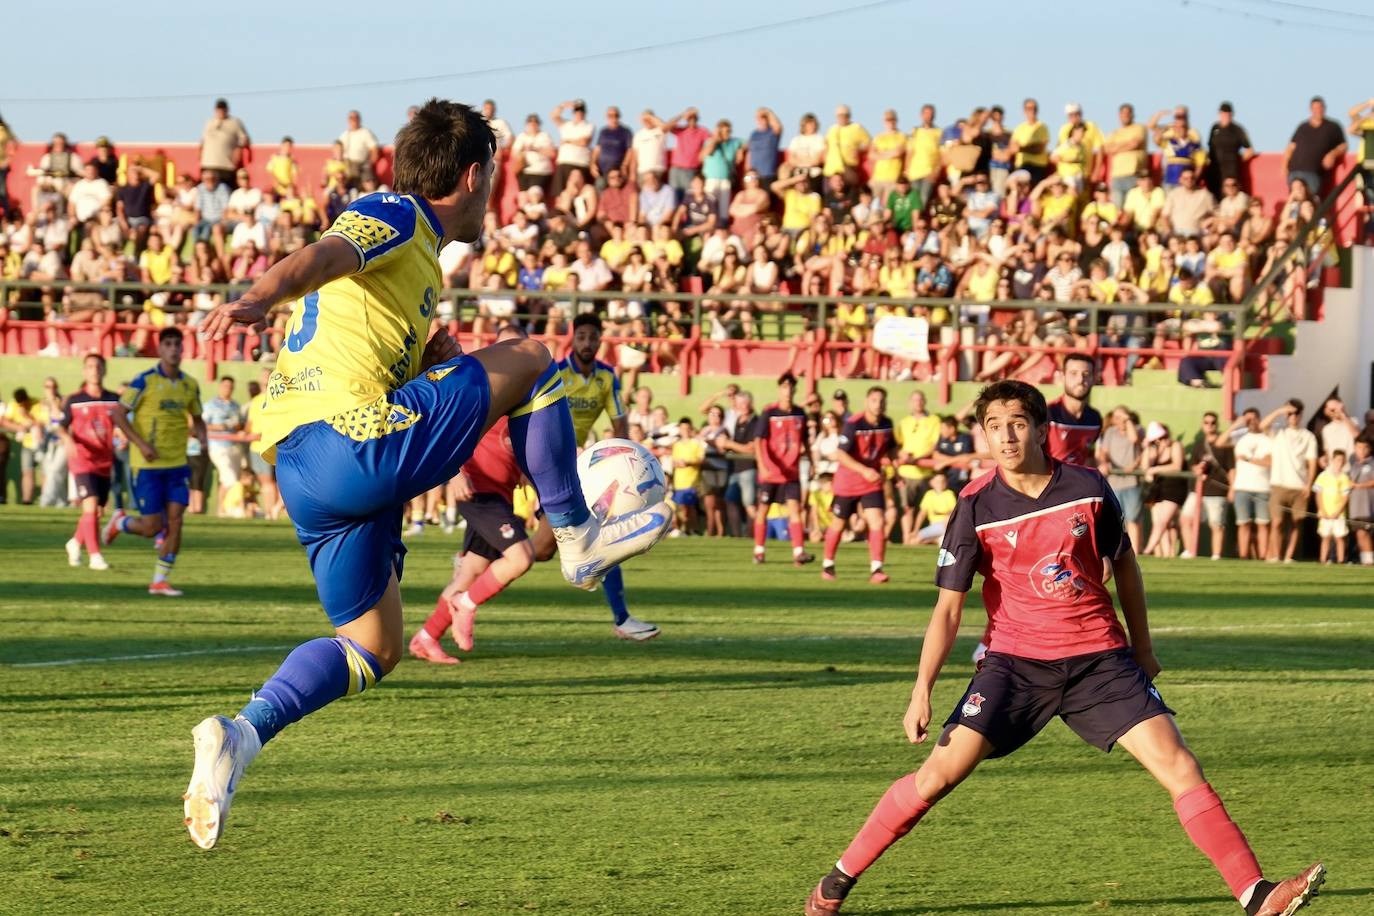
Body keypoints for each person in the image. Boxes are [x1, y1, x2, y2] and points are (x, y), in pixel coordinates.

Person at [180, 100, 671, 851]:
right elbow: (324, 254)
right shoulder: (397, 213)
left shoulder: (414, 270)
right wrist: (258, 296)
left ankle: (240, 736)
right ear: (474, 176)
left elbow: (358, 321)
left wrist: (434, 360)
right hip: (348, 440)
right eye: (494, 179)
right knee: (536, 358)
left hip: (306, 471)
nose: (494, 195)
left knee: (372, 647)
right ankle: (575, 535)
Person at [802, 380, 1324, 916]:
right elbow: (948, 609)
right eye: (994, 426)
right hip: (1014, 665)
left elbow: (1124, 564)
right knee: (936, 778)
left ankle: (1256, 894)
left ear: (1041, 428)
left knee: (1179, 764)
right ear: (983, 434)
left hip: (1100, 660)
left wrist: (1142, 648)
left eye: (1018, 423)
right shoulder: (974, 505)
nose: (1006, 436)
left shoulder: (1089, 486)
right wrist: (921, 691)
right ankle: (837, 880)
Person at [407, 325, 569, 665]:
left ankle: (425, 638)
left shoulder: (525, 393)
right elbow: (441, 425)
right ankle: (465, 605)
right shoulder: (475, 380)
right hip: (477, 493)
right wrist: (453, 473)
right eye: (503, 347)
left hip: (499, 496)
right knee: (521, 558)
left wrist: (528, 474)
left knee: (468, 575)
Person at [556, 311, 661, 640]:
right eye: (581, 336)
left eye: (593, 337)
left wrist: (626, 457)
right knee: (536, 550)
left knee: (605, 531)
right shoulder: (557, 374)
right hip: (552, 461)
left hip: (579, 465)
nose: (587, 343)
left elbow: (619, 423)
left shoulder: (606, 377)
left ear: (601, 341)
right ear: (573, 339)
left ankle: (622, 618)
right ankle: (470, 576)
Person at [101, 328, 207, 596]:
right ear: (159, 349)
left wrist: (203, 441)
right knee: (152, 527)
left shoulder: (190, 385)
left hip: (177, 464)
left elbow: (197, 418)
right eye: (168, 344)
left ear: (183, 350)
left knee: (176, 520)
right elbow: (118, 414)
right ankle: (120, 522)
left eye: (177, 345)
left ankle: (159, 580)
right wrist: (141, 444)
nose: (173, 349)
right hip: (148, 466)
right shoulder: (143, 382)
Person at [822, 386, 895, 584]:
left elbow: (890, 449)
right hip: (848, 482)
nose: (878, 404)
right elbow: (841, 454)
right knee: (839, 523)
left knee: (878, 521)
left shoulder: (887, 424)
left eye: (881, 400)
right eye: (874, 400)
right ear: (866, 402)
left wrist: (896, 460)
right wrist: (864, 470)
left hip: (871, 482)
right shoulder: (853, 423)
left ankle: (877, 569)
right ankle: (828, 564)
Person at [58, 353, 121, 571]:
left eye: (98, 366)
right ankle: (95, 557)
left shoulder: (113, 399)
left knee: (96, 511)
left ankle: (75, 542)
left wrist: (122, 435)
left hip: (104, 461)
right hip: (82, 460)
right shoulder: (74, 400)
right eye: (90, 366)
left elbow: (121, 423)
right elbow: (60, 426)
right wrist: (67, 440)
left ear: (104, 370)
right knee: (91, 504)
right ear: (84, 371)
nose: (94, 370)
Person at [752, 373, 814, 566]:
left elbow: (805, 441)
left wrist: (811, 461)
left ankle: (799, 552)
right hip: (771, 472)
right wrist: (762, 465)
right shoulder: (769, 412)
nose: (787, 391)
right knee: (763, 510)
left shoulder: (800, 413)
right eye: (784, 388)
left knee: (795, 509)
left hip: (791, 472)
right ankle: (759, 551)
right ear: (779, 389)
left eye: (791, 388)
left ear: (795, 390)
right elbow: (758, 441)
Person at [1262, 400, 1317, 563]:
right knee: (1277, 522)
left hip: (1298, 485)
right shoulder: (1279, 431)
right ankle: (1275, 555)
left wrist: (1309, 484)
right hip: (1279, 484)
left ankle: (1289, 556)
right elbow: (1263, 425)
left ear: (1301, 415)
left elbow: (1312, 461)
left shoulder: (1308, 436)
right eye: (1290, 414)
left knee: (1296, 522)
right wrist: (1279, 410)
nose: (1293, 417)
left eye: (1296, 413)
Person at [1181, 411, 1234, 561]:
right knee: (1186, 518)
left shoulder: (1225, 444)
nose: (1209, 425)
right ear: (1202, 425)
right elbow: (1193, 465)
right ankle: (1189, 550)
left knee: (1216, 524)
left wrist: (1232, 488)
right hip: (1197, 490)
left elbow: (1231, 469)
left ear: (1217, 425)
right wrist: (1197, 469)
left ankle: (1216, 555)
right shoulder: (1199, 444)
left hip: (1217, 490)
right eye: (1206, 422)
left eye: (1212, 423)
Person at [1228, 408, 1273, 561]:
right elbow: (1219, 442)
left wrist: (1247, 459)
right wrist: (1235, 425)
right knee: (1243, 523)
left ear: (1259, 419)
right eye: (1248, 419)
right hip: (1242, 486)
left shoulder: (1267, 439)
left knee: (1263, 524)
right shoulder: (1240, 438)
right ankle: (1243, 555)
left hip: (1262, 487)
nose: (1251, 422)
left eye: (1254, 419)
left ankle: (1262, 556)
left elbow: (1268, 462)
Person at [1046, 353, 1102, 466]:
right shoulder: (1047, 413)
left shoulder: (1095, 419)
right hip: (1049, 482)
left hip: (1077, 482)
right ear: (1063, 377)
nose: (1080, 379)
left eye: (1086, 374)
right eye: (1073, 373)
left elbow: (1088, 457)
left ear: (1094, 378)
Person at [1313, 450, 1351, 565]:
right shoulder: (1323, 475)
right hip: (1325, 513)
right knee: (1326, 537)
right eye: (1338, 460)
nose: (1340, 463)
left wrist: (1338, 511)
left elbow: (1345, 497)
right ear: (1332, 460)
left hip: (1338, 514)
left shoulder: (1344, 477)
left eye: (1342, 460)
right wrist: (1322, 510)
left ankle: (1340, 560)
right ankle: (1323, 559)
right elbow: (1318, 494)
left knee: (1339, 538)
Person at [670, 416, 704, 535]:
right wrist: (677, 463)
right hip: (679, 481)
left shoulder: (696, 443)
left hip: (692, 480)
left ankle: (694, 529)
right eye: (683, 428)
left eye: (687, 428)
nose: (685, 431)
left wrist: (688, 462)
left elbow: (700, 460)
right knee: (681, 507)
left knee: (690, 507)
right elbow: (673, 461)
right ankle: (683, 530)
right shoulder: (677, 445)